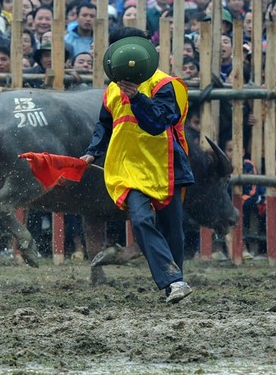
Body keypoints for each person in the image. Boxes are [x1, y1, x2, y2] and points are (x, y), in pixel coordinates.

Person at [81, 27, 195, 304]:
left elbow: (158, 124)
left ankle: (174, 285)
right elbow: (104, 124)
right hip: (128, 168)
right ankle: (174, 280)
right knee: (142, 220)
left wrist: (136, 97)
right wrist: (92, 152)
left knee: (173, 232)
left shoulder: (166, 84)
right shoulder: (111, 90)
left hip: (166, 166)